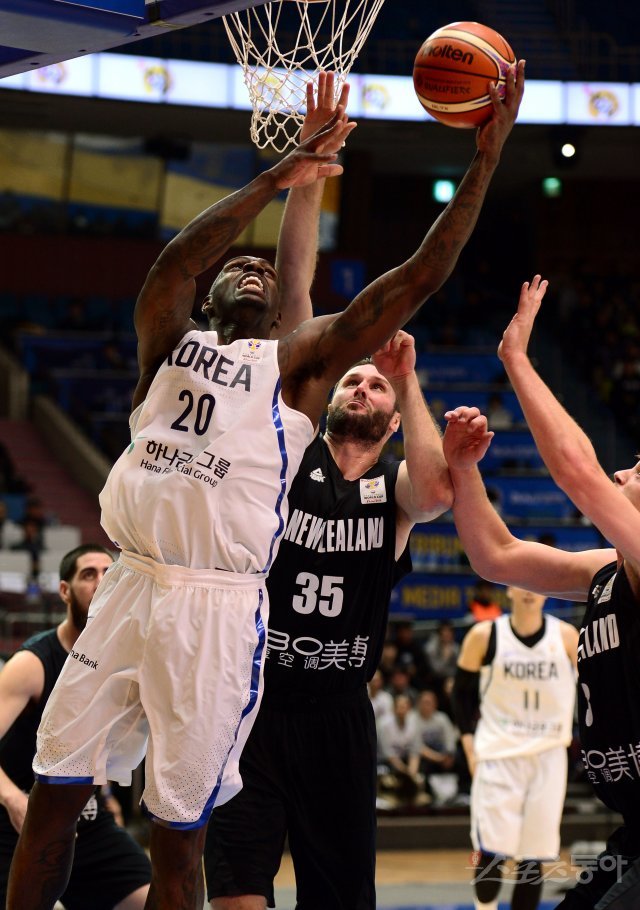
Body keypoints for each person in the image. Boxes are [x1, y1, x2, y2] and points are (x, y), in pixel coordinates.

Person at [8, 62, 524, 910]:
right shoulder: (164, 342)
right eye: (232, 268)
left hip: (217, 607)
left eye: (262, 270)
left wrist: (485, 159)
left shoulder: (295, 369)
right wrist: (276, 177)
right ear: (208, 295)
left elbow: (417, 278)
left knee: (180, 841)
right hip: (131, 583)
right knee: (53, 800)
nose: (250, 270)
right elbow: (176, 260)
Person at [205, 328, 453, 909]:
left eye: (377, 386)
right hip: (253, 706)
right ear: (330, 405)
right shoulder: (285, 463)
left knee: (338, 898)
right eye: (352, 381)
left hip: (338, 716)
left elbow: (439, 492)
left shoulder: (392, 492)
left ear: (394, 423)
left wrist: (408, 378)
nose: (363, 387)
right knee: (236, 894)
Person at [442, 272, 640, 909]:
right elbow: (495, 557)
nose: (623, 469)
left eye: (637, 469)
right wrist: (465, 470)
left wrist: (516, 359)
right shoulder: (607, 572)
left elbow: (580, 475)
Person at [0, 544, 151, 909]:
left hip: (87, 823)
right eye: (89, 574)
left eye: (109, 574)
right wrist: (12, 797)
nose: (101, 582)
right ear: (65, 591)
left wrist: (110, 796)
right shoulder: (31, 663)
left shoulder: (124, 660)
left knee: (156, 900)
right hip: (16, 825)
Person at [452, 583, 577, 910]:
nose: (529, 589)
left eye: (538, 582)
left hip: (549, 754)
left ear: (548, 591)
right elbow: (461, 698)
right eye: (522, 581)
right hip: (498, 754)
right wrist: (469, 747)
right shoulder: (484, 635)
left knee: (533, 856)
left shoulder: (567, 638)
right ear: (508, 589)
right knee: (492, 850)